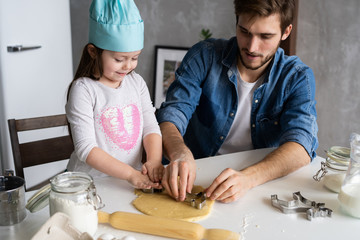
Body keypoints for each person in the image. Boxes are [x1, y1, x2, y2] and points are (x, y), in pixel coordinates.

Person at [157, 0, 318, 203]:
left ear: (286, 32)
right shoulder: (204, 55)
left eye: (265, 36)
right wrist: (179, 152)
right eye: (245, 31)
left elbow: (301, 146)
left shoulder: (297, 77)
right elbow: (172, 113)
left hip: (256, 184)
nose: (251, 47)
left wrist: (248, 178)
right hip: (195, 176)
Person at [66, 0, 163, 190]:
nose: (128, 66)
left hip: (129, 183)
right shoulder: (84, 90)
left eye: (135, 58)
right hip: (91, 185)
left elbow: (151, 126)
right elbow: (87, 149)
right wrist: (130, 174)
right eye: (119, 59)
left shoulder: (136, 83)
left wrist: (154, 160)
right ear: (94, 51)